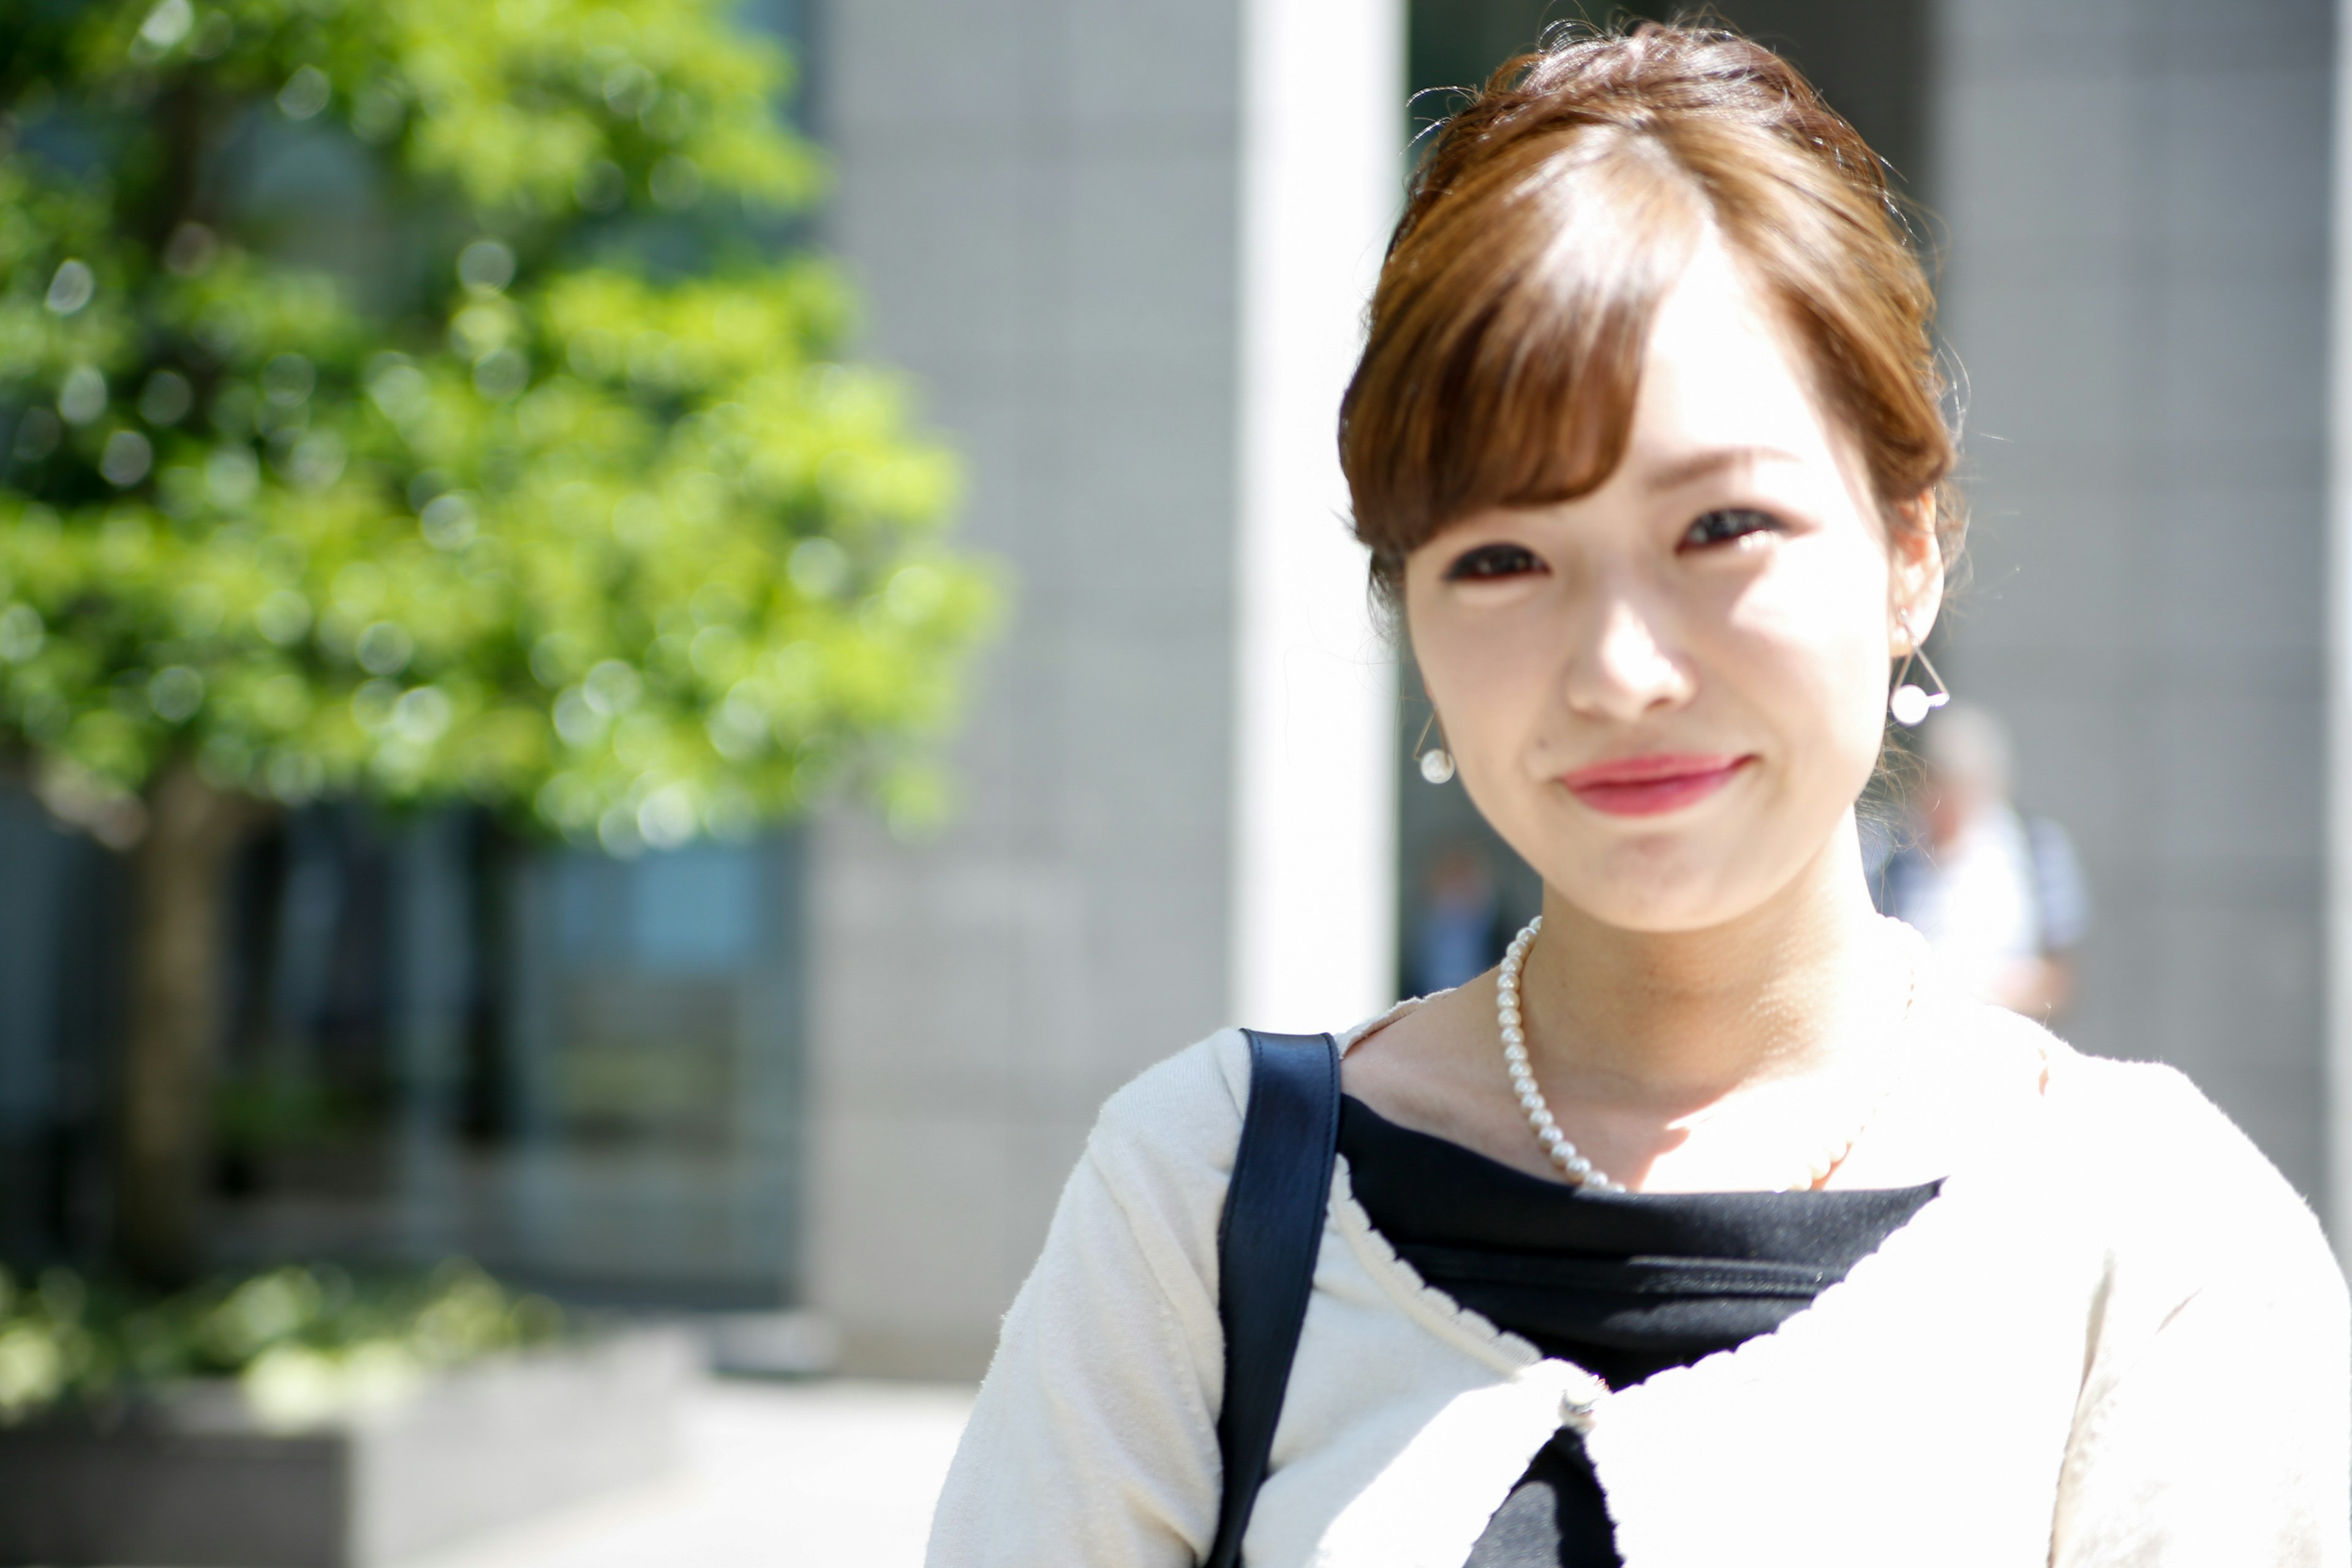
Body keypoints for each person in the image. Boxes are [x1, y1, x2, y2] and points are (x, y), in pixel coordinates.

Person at [926, 23, 2347, 1567]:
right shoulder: (1203, 1189)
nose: (1615, 668)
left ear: (1907, 546)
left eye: (1719, 523)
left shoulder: (2143, 1234)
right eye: (1499, 558)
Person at [1869, 703, 2090, 1017]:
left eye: (1962, 790)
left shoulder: (2037, 848)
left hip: (2008, 1034)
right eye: (1937, 787)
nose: (1947, 806)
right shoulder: (1889, 851)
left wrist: (2005, 994)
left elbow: (2063, 979)